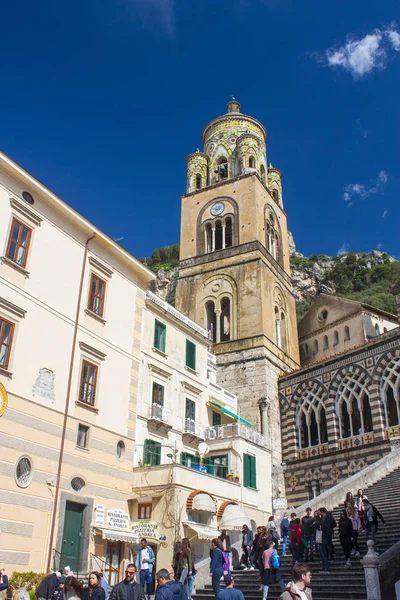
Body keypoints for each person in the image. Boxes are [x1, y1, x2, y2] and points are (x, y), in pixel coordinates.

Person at [315, 509, 330, 573]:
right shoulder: (322, 519)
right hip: (321, 537)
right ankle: (324, 566)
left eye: (320, 512)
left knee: (324, 553)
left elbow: (326, 527)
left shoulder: (325, 519)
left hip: (323, 537)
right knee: (322, 553)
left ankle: (326, 566)